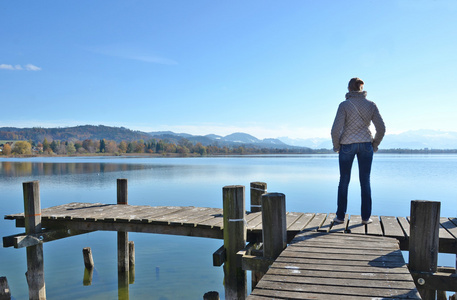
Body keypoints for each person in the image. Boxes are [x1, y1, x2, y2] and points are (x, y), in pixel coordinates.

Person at [331, 77, 385, 225]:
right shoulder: (371, 105)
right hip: (366, 144)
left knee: (344, 180)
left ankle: (340, 217)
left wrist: (337, 146)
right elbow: (381, 128)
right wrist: (375, 144)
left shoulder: (344, 105)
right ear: (361, 89)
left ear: (349, 89)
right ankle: (366, 218)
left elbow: (335, 129)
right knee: (365, 181)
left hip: (347, 145)